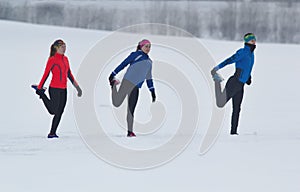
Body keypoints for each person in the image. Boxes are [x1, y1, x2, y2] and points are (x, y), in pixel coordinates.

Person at [32, 39, 82, 138]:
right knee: (53, 111)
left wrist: (77, 87)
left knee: (59, 112)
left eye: (65, 47)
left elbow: (69, 74)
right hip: (54, 88)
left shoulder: (66, 59)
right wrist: (40, 87)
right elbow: (46, 74)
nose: (64, 49)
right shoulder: (52, 59)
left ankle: (52, 133)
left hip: (64, 89)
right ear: (56, 48)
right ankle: (41, 93)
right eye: (62, 47)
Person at [211, 33, 256, 135]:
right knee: (220, 103)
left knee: (237, 109)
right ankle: (217, 81)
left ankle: (234, 133)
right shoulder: (242, 52)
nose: (253, 41)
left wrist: (248, 77)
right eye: (251, 39)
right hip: (234, 82)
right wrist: (216, 69)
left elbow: (247, 68)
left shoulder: (252, 55)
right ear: (246, 41)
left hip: (241, 86)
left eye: (254, 39)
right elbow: (229, 60)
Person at [108, 39, 156, 137]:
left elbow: (149, 77)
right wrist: (113, 74)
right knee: (117, 103)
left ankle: (130, 132)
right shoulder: (135, 55)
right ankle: (113, 85)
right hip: (127, 82)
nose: (148, 48)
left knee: (131, 109)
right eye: (146, 46)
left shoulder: (149, 62)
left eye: (149, 46)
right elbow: (124, 64)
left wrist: (152, 91)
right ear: (141, 46)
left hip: (136, 87)